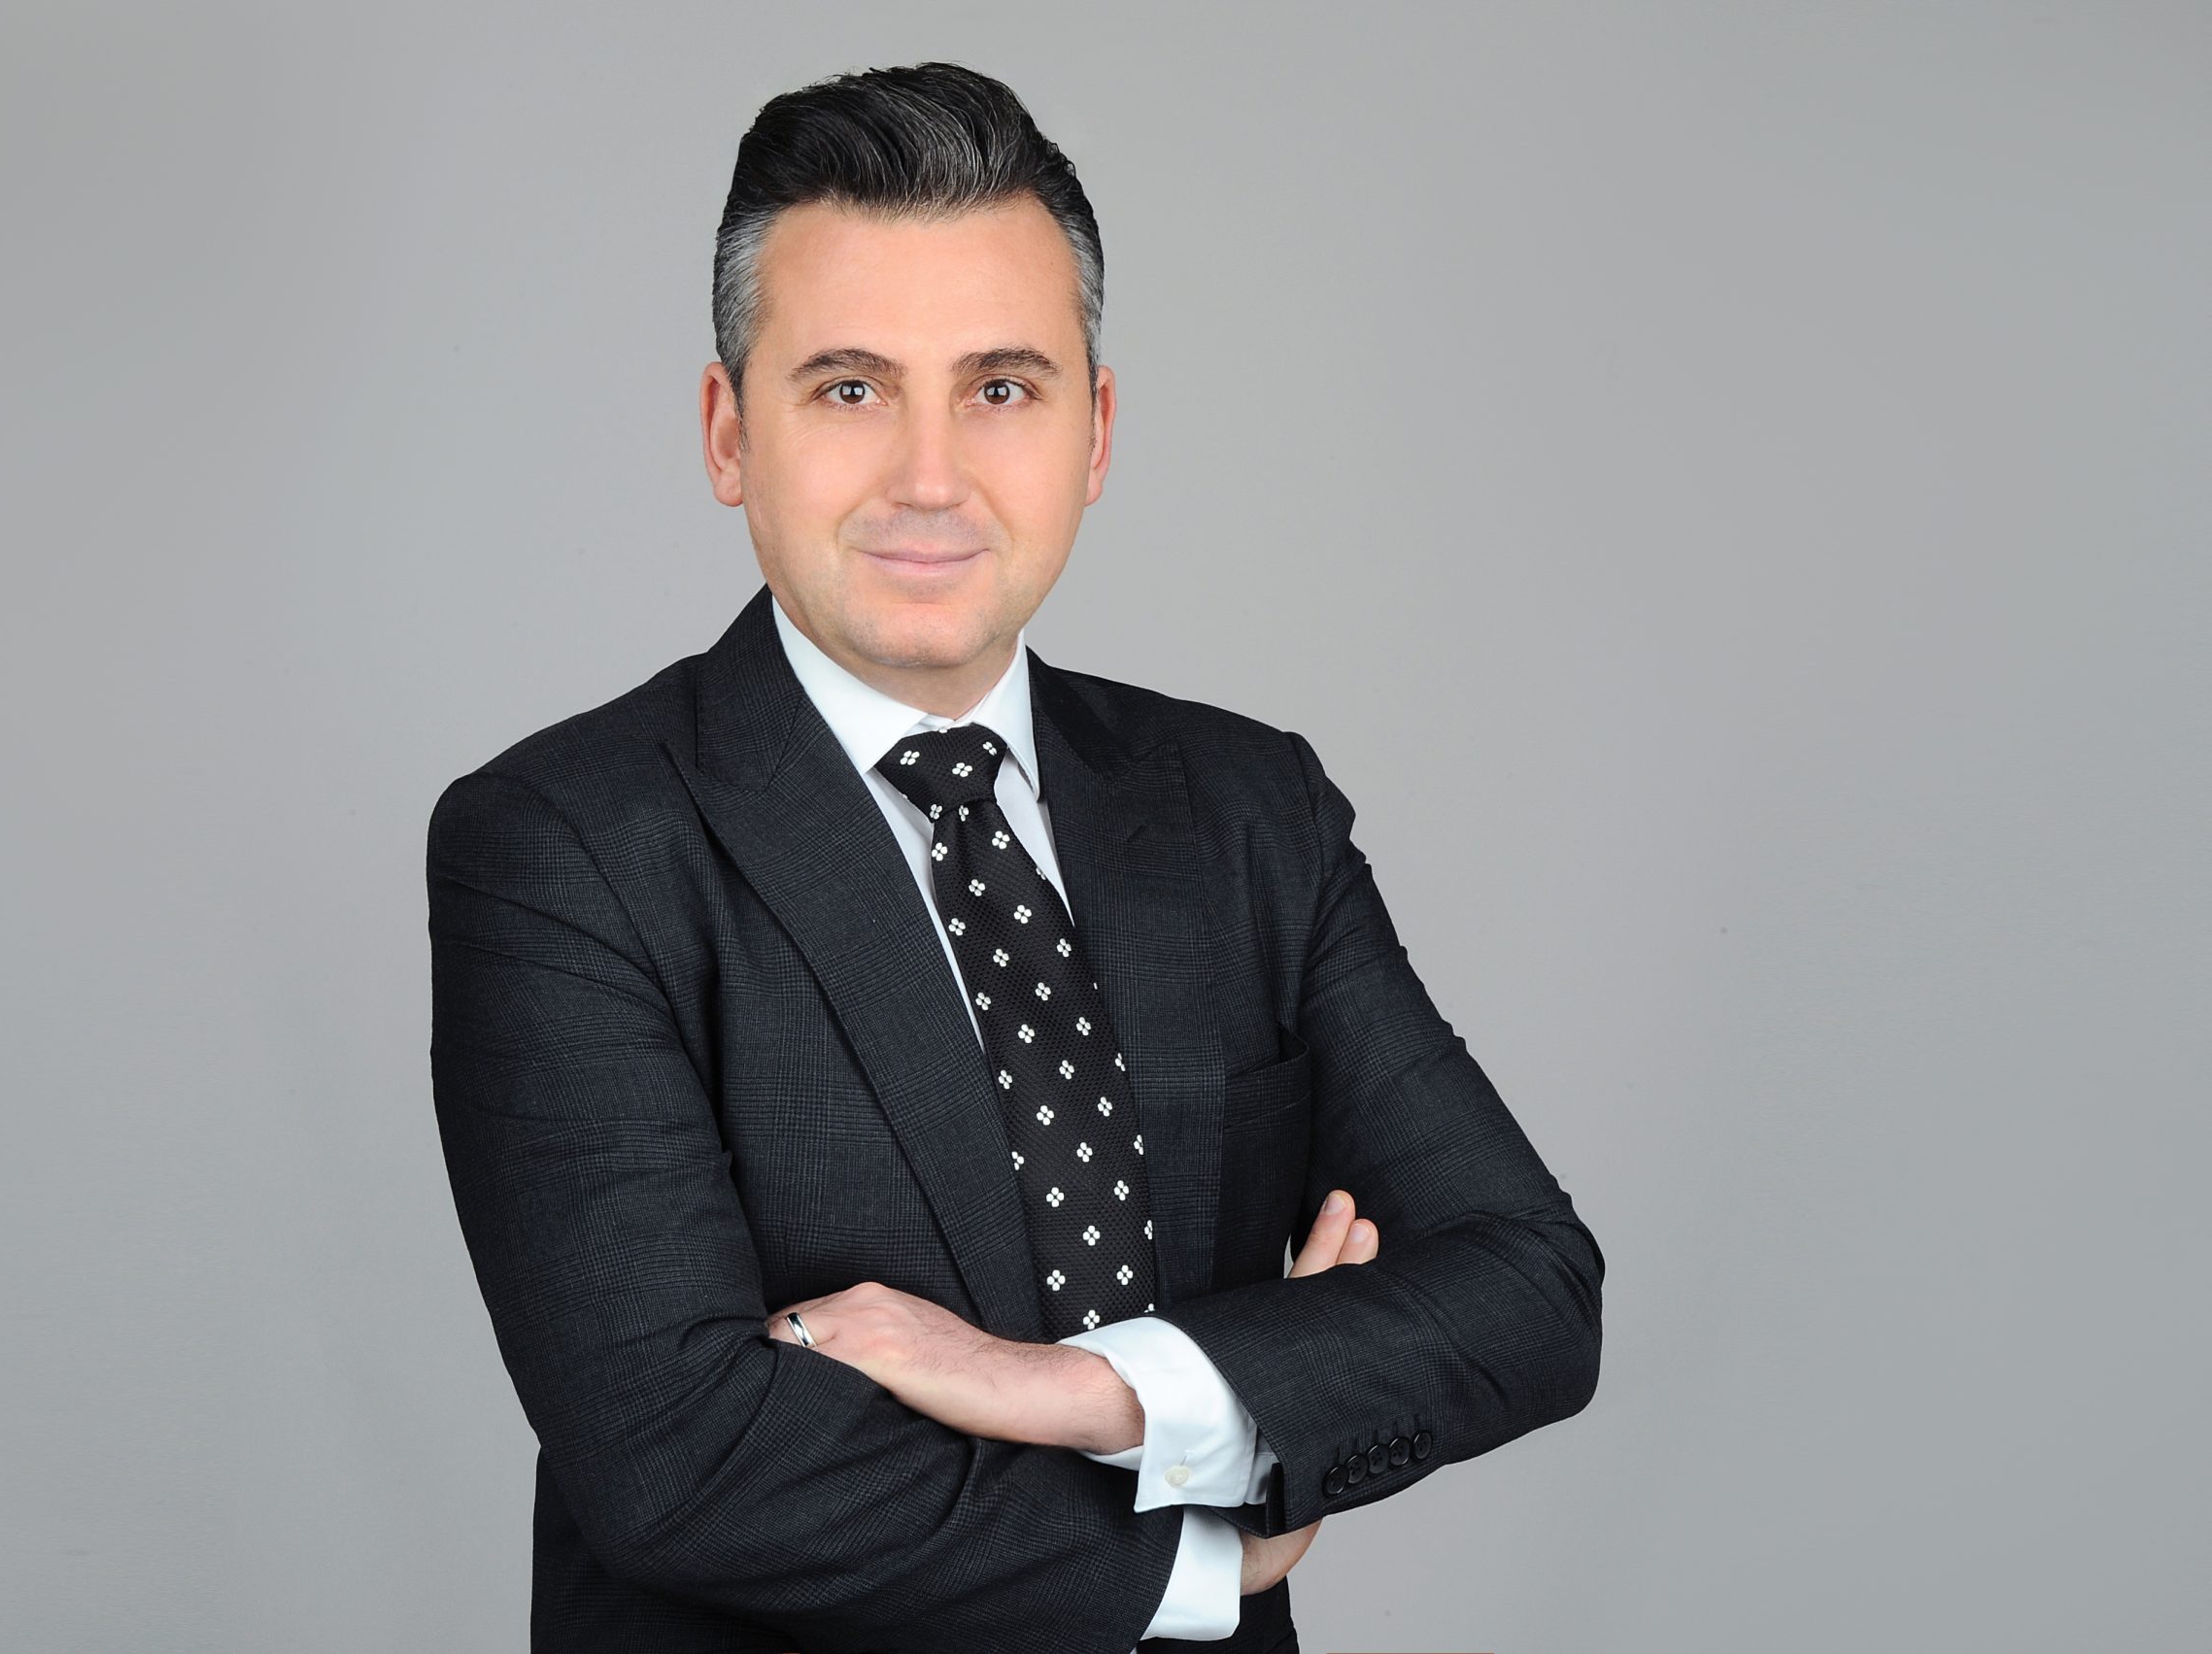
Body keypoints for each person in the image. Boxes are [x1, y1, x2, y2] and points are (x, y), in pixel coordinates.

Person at [426, 60, 1603, 1654]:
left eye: (1000, 388)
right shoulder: (564, 847)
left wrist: (1091, 1392)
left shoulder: (1248, 810)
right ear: (728, 433)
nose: (930, 477)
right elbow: (679, 1459)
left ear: (1094, 431)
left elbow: (1530, 1287)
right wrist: (1209, 1542)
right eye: (850, 389)